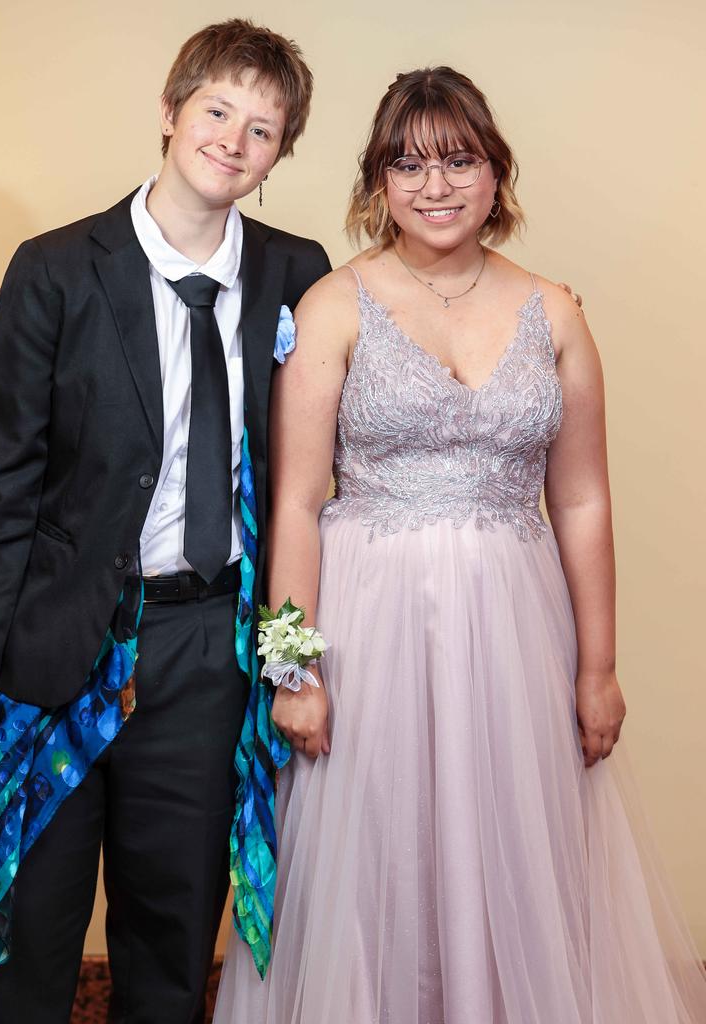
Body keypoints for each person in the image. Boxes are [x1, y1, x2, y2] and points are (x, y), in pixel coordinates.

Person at [213, 66, 706, 1023]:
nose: (434, 185)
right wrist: (292, 672)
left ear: (496, 174)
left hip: (515, 628)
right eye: (408, 164)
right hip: (370, 625)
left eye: (458, 160)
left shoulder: (554, 310)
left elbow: (584, 502)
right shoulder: (333, 305)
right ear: (377, 183)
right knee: (379, 861)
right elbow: (298, 505)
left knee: (515, 854)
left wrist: (598, 668)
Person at [0, 18, 330, 1023]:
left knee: (170, 939)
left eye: (263, 129)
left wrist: (292, 658)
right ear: (170, 112)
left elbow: (310, 487)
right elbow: (6, 481)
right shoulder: (56, 268)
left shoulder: (299, 273)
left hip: (210, 651)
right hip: (56, 644)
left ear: (279, 154)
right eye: (217, 112)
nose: (234, 141)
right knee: (23, 939)